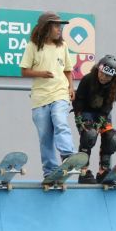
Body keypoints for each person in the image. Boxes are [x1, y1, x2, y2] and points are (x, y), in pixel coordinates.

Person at [19, 11, 77, 178]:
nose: (60, 29)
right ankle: (50, 172)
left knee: (60, 121)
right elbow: (24, 71)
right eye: (56, 26)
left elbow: (68, 70)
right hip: (40, 98)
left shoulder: (63, 46)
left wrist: (71, 88)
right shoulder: (32, 46)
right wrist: (41, 73)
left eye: (60, 26)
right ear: (46, 27)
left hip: (60, 93)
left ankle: (67, 155)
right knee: (45, 137)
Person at [72, 55, 116, 184]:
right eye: (102, 73)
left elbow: (108, 105)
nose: (103, 77)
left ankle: (103, 172)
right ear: (98, 69)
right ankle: (83, 172)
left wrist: (100, 121)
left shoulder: (114, 85)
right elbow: (79, 100)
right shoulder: (88, 79)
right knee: (89, 135)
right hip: (85, 111)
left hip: (102, 113)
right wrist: (78, 117)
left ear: (113, 77)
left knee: (111, 139)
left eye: (108, 76)